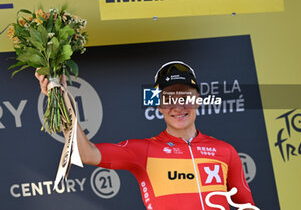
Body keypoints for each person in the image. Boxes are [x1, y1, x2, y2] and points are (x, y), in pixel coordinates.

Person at [35, 61, 255, 210]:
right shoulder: (143, 151)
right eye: (169, 98)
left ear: (197, 99)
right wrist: (61, 99)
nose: (178, 106)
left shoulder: (224, 151)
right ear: (158, 106)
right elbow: (86, 154)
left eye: (185, 96)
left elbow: (246, 205)